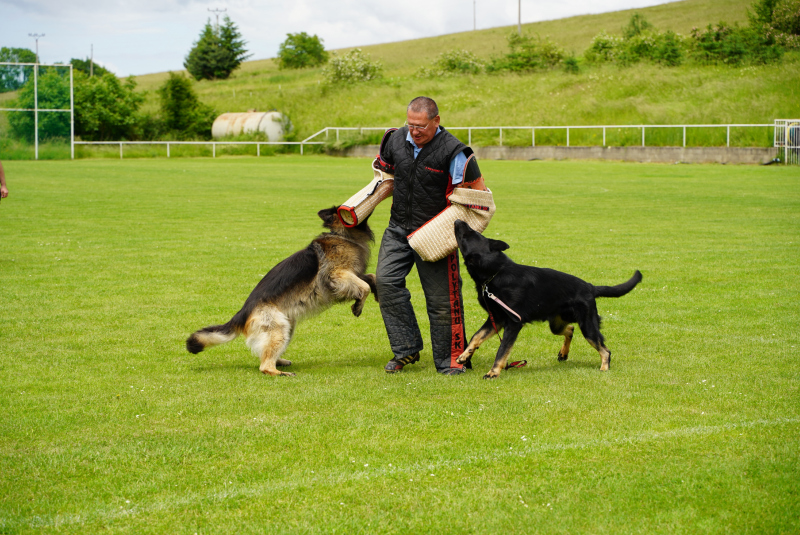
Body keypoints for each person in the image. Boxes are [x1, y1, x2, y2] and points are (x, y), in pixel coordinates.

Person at [374, 96, 480, 375]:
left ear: (436, 120)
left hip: (435, 233)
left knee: (442, 301)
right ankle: (406, 350)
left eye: (421, 126)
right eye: (410, 124)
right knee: (385, 283)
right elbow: (384, 176)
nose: (414, 131)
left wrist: (456, 234)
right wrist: (360, 207)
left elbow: (474, 197)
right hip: (398, 227)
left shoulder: (455, 151)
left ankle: (452, 359)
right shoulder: (395, 139)